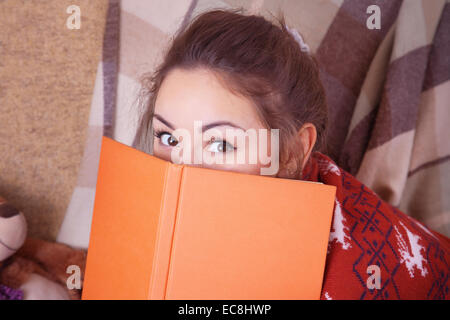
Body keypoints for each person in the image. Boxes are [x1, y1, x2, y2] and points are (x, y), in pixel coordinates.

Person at [133, 9, 449, 300]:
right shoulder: (148, 226)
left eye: (221, 144)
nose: (183, 167)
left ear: (293, 152)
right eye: (169, 137)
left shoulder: (357, 275)